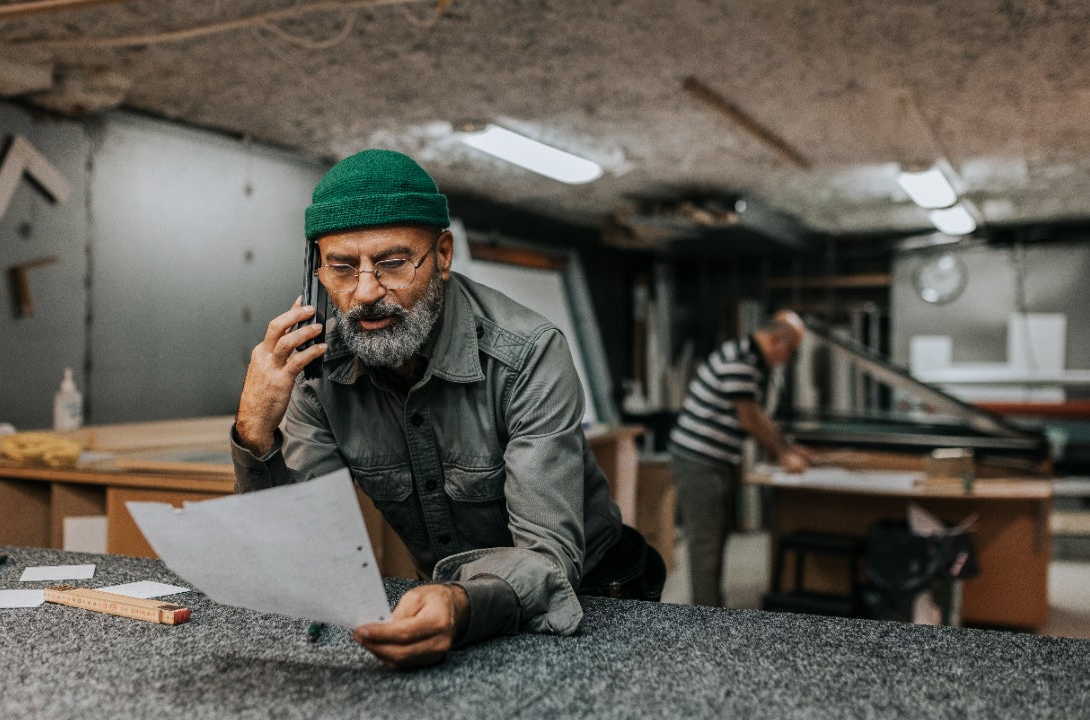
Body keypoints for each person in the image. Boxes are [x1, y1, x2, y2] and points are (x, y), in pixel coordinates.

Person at [231, 149, 662, 670]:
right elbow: (303, 548)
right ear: (316, 271)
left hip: (592, 594)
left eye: (391, 262)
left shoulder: (528, 354)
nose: (365, 293)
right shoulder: (316, 370)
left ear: (442, 254)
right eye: (342, 267)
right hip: (445, 605)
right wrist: (254, 430)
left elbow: (548, 557)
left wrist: (460, 603)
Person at [667, 310, 814, 607]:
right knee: (705, 544)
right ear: (777, 340)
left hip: (712, 460)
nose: (787, 359)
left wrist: (788, 447)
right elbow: (750, 420)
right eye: (791, 351)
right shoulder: (740, 361)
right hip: (698, 460)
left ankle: (712, 608)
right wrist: (783, 454)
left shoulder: (749, 358)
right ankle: (706, 620)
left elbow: (758, 415)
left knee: (717, 538)